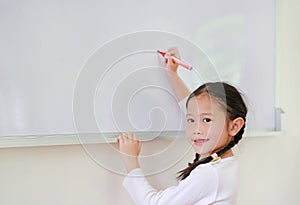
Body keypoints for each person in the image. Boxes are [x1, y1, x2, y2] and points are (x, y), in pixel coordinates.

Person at [118, 48, 247, 205]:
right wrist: (173, 74)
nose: (196, 130)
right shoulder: (224, 164)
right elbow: (193, 109)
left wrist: (131, 161)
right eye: (191, 120)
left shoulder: (209, 174)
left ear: (234, 126)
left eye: (206, 120)